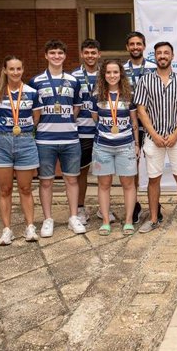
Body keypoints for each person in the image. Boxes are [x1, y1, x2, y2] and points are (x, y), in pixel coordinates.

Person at [134, 42, 177, 233]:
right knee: (154, 180)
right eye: (159, 53)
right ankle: (153, 219)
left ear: (172, 56)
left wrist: (176, 133)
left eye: (166, 53)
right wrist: (154, 134)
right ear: (155, 56)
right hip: (153, 139)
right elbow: (141, 110)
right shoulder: (145, 81)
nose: (162, 56)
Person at [29, 39, 85, 237]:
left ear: (65, 56)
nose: (56, 56)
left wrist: (66, 121)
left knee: (72, 180)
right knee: (46, 181)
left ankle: (73, 217)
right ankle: (47, 219)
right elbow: (32, 110)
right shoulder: (35, 82)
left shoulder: (73, 81)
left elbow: (76, 107)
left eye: (60, 53)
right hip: (45, 140)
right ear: (46, 56)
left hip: (70, 138)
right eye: (52, 53)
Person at [0, 56, 42, 245]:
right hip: (1, 142)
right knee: (5, 189)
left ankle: (30, 227)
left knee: (26, 188)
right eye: (11, 69)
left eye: (19, 69)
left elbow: (36, 118)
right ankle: (7, 230)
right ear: (5, 70)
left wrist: (22, 131)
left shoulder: (32, 93)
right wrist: (6, 133)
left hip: (25, 141)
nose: (15, 72)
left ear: (23, 69)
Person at [90, 60, 139, 236]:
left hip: (125, 145)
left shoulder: (129, 94)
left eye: (115, 72)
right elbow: (95, 119)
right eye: (108, 72)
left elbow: (134, 122)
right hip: (102, 146)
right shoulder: (96, 95)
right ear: (103, 75)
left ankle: (127, 221)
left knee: (128, 184)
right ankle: (105, 221)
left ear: (121, 74)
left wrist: (136, 144)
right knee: (104, 184)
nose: (112, 76)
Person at [123, 31, 158, 225]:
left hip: (152, 124)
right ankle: (134, 205)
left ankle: (156, 206)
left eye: (139, 44)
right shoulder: (120, 70)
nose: (135, 47)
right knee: (132, 168)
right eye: (132, 44)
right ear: (127, 47)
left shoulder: (154, 68)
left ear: (144, 46)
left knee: (155, 167)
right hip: (129, 126)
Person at [71, 39, 102, 225]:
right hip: (81, 132)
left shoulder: (106, 74)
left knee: (104, 173)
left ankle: (103, 208)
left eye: (94, 53)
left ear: (99, 54)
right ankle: (80, 208)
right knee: (81, 172)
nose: (90, 56)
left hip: (102, 132)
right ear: (82, 54)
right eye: (87, 53)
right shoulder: (73, 77)